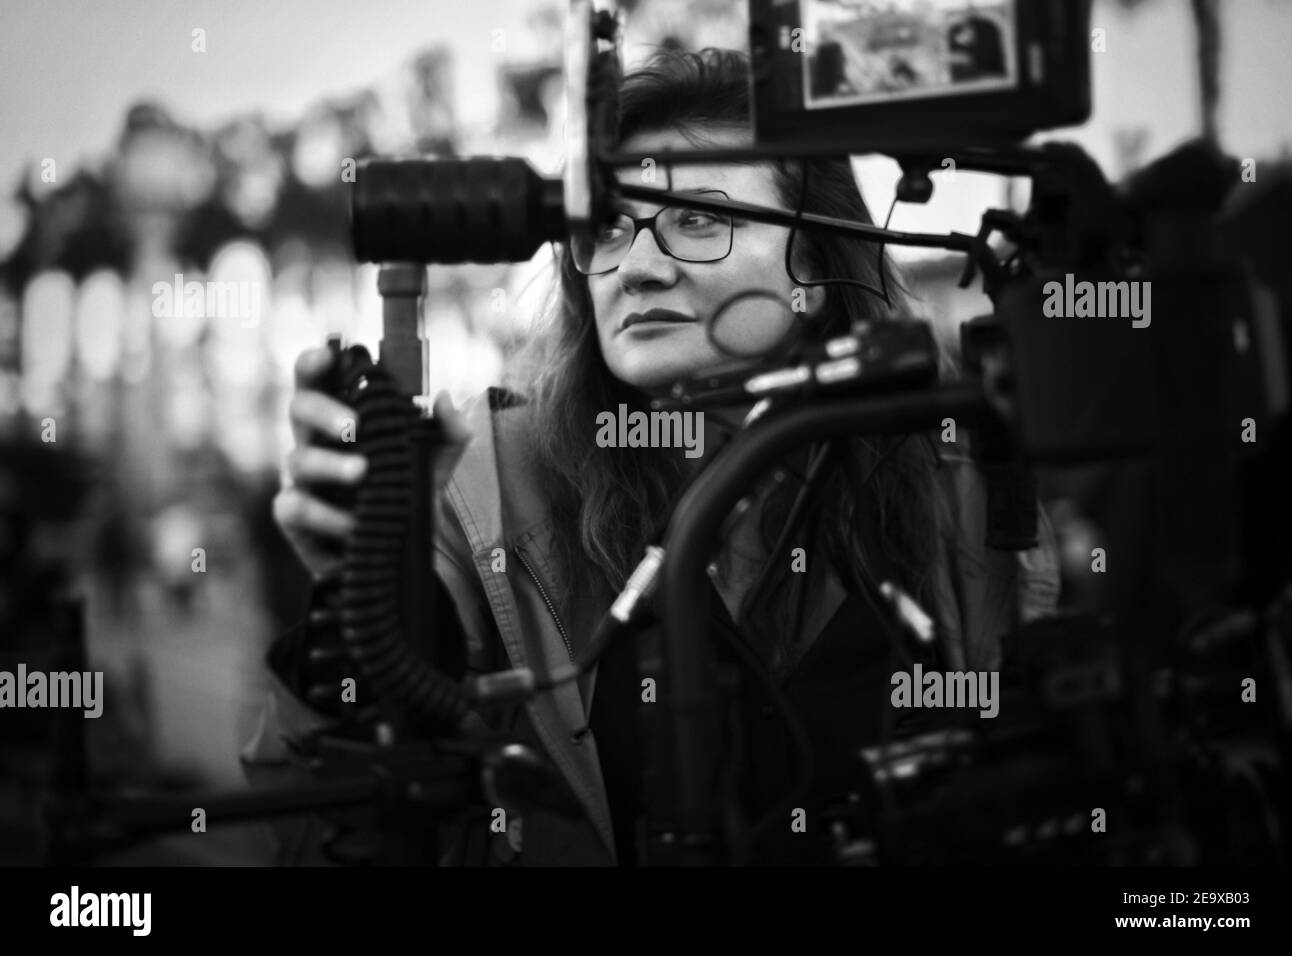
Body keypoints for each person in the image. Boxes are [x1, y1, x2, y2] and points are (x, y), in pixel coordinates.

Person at [241, 47, 1060, 866]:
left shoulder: (959, 477)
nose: (636, 267)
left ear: (812, 262)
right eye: (609, 229)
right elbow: (318, 832)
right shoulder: (484, 488)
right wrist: (358, 607)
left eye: (697, 219)